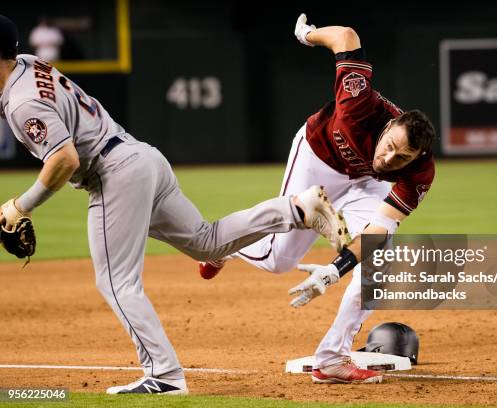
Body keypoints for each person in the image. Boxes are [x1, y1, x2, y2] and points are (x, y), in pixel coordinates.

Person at [0, 14, 349, 395]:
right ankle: (297, 209)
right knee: (207, 242)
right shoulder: (29, 64)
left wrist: (22, 205)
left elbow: (64, 159)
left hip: (112, 173)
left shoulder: (22, 103)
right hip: (141, 157)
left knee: (117, 282)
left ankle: (164, 375)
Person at [199, 14, 436, 384]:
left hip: (364, 182)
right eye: (390, 147)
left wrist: (334, 269)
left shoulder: (418, 173)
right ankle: (223, 245)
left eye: (401, 158)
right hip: (318, 157)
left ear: (417, 158)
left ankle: (332, 357)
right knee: (279, 261)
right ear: (389, 126)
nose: (389, 159)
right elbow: (345, 35)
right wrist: (308, 35)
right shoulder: (360, 102)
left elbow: (377, 230)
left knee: (382, 254)